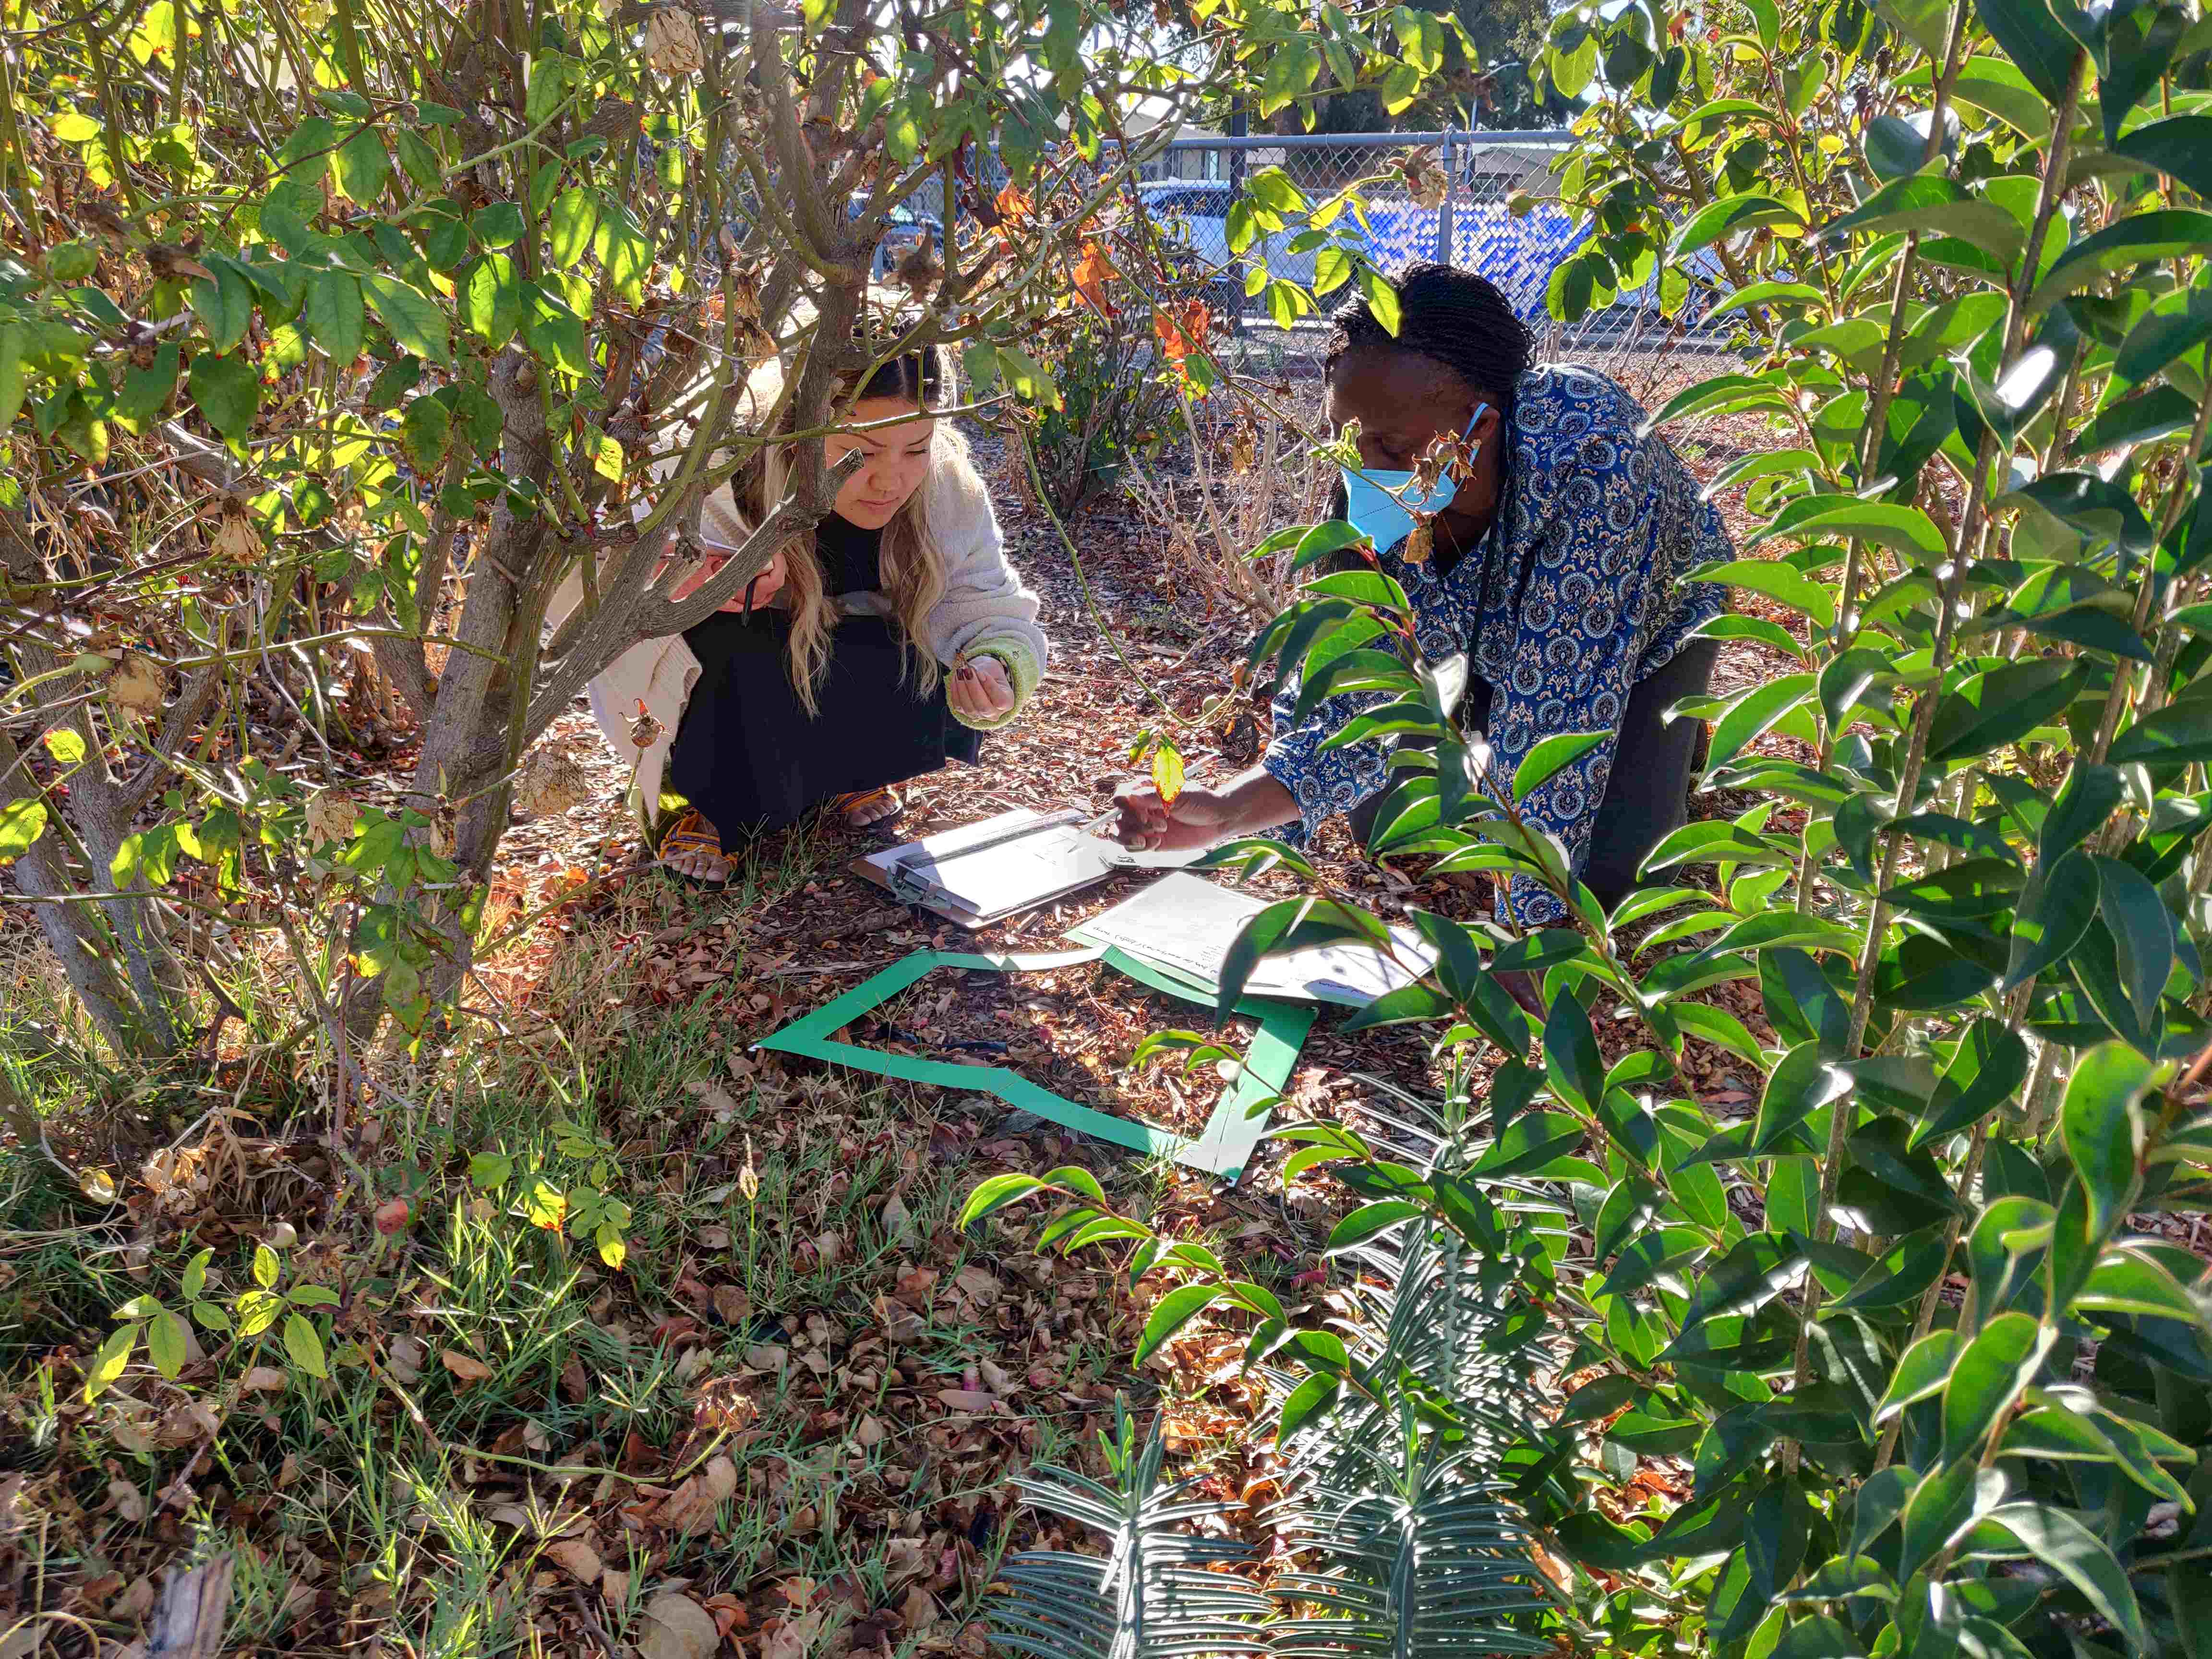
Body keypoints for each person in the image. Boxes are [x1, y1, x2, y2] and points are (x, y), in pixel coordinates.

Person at [1113, 263, 1730, 926]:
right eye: (1346, 440)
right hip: (1482, 641)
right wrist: (1228, 812)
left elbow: (1561, 718)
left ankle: (1670, 732)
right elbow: (1345, 692)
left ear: (1481, 429)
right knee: (1387, 822)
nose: (1363, 470)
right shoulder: (1368, 493)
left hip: (1650, 629)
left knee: (1611, 878)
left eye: (1394, 447)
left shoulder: (1596, 463)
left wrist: (1524, 934)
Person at [584, 346, 1048, 884]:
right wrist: (692, 579)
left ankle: (845, 772)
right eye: (862, 453)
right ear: (798, 427)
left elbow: (992, 604)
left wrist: (1000, 665)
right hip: (740, 681)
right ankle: (696, 802)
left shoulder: (948, 487)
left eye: (915, 449)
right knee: (734, 648)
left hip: (841, 661)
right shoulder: (714, 467)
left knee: (932, 659)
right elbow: (600, 594)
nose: (891, 481)